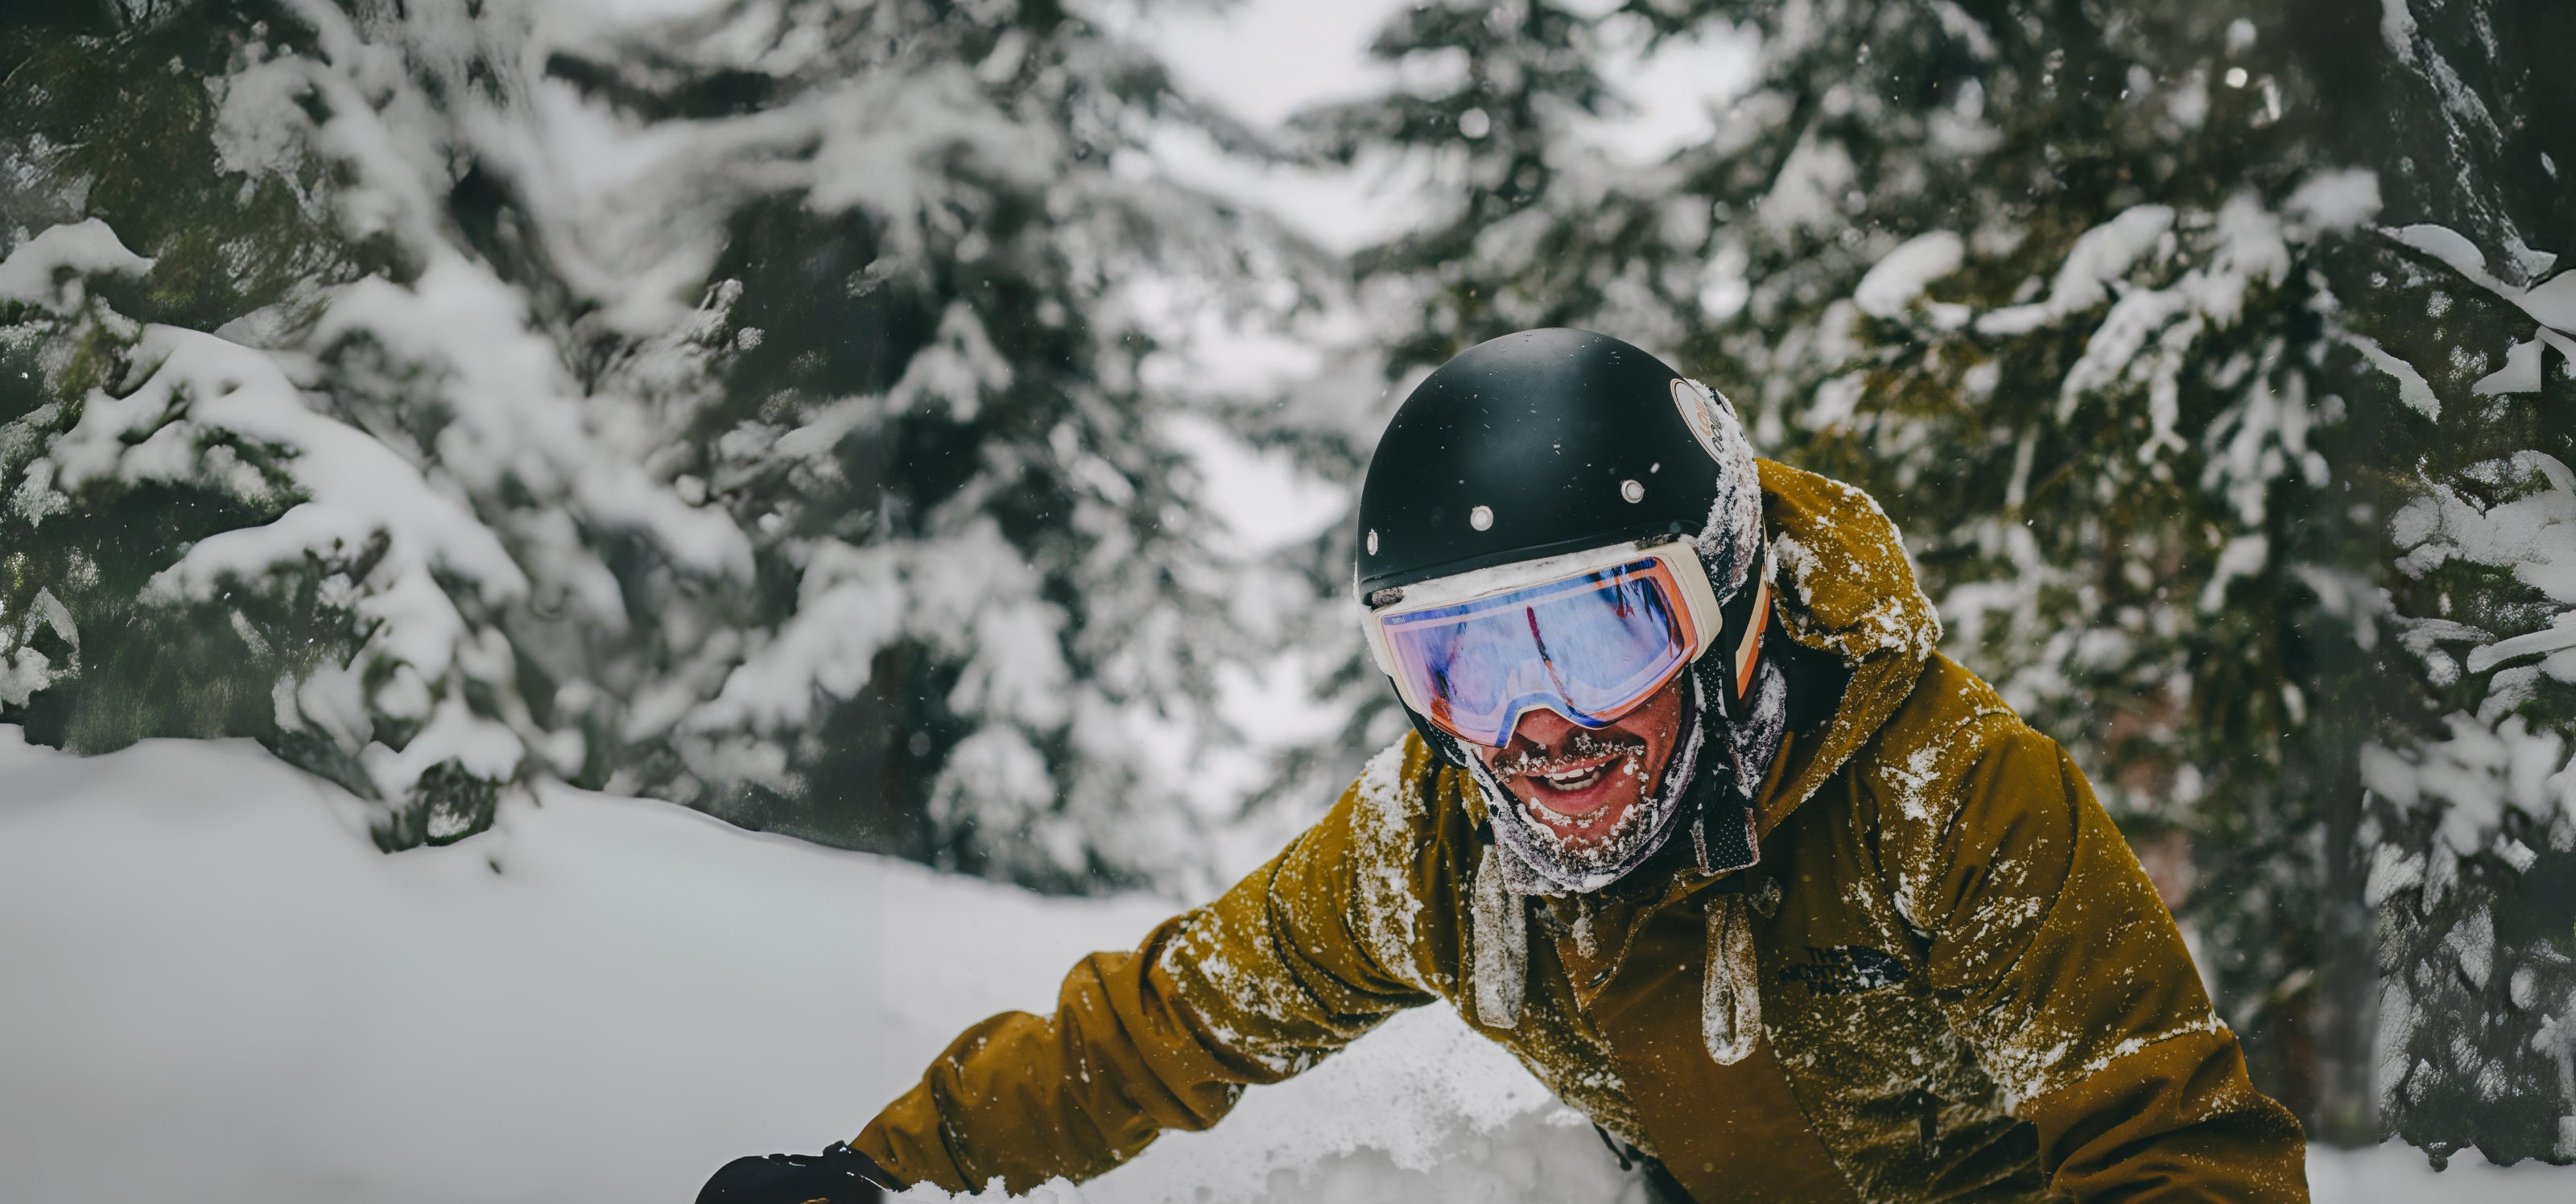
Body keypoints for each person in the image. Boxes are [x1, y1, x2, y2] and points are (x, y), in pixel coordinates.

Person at [700, 329, 2308, 1203]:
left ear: (1731, 611)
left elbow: (2180, 1151)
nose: (1544, 727)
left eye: (1604, 633)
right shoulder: (1444, 847)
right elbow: (1170, 1021)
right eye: (1461, 661)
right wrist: (884, 1170)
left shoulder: (1944, 794)